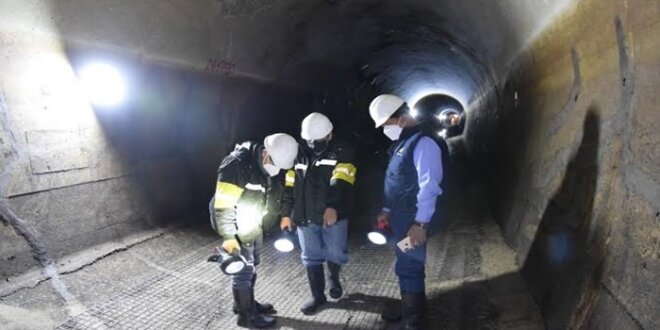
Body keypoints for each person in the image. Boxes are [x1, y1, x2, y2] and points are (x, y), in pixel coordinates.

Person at [369, 94, 444, 330]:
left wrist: (421, 223)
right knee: (404, 263)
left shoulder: (424, 144)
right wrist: (386, 210)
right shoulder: (400, 144)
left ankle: (414, 322)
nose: (384, 129)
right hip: (400, 220)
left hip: (414, 221)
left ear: (401, 118)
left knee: (410, 267)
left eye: (386, 124)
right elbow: (396, 182)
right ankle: (408, 312)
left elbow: (429, 186)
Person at [209, 133, 298, 328]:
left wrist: (284, 215)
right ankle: (246, 317)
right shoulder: (236, 165)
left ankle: (245, 304)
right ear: (266, 153)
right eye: (275, 163)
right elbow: (224, 205)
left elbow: (281, 193)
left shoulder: (275, 165)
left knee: (252, 265)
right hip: (235, 225)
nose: (277, 170)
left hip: (253, 224)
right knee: (243, 270)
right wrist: (229, 236)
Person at [280, 112, 357, 315]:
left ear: (330, 134)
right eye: (310, 140)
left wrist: (333, 206)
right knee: (311, 256)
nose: (314, 143)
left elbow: (342, 182)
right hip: (304, 216)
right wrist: (286, 213)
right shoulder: (296, 153)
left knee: (336, 252)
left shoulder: (343, 152)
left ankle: (333, 277)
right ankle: (317, 297)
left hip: (332, 216)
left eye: (319, 139)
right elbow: (289, 184)